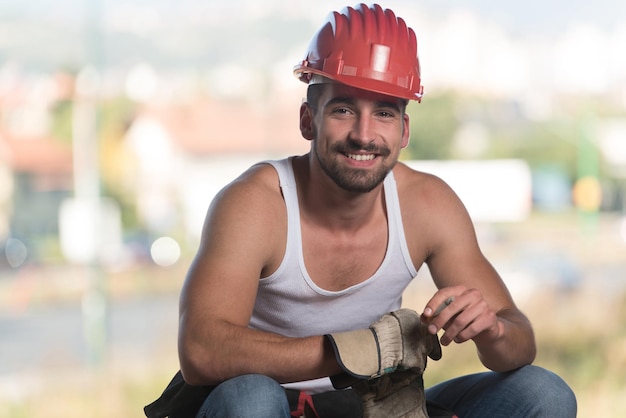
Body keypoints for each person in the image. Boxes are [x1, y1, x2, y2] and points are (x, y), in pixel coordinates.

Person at [162, 3, 577, 417]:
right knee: (249, 398)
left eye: (383, 113)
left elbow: (520, 341)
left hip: (374, 405)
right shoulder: (256, 204)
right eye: (343, 109)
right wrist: (356, 352)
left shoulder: (427, 204)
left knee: (544, 394)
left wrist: (493, 329)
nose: (364, 135)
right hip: (271, 403)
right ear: (309, 120)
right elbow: (201, 351)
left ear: (403, 131)